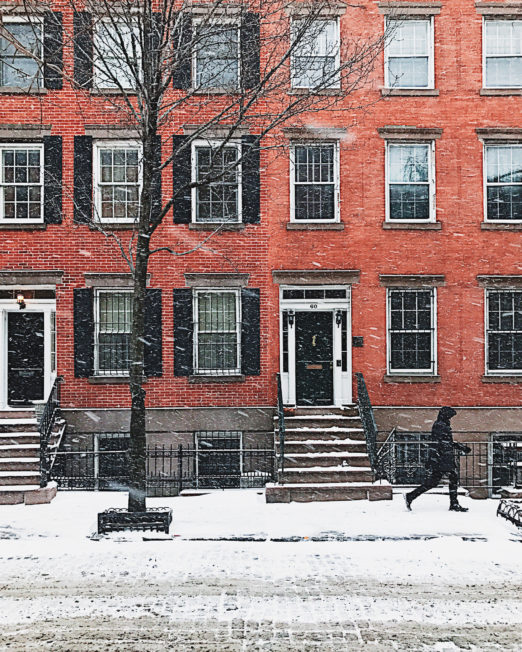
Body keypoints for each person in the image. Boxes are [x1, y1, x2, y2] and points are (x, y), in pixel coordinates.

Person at [404, 407, 471, 512]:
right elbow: (439, 443)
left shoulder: (442, 424)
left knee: (434, 482)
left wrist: (459, 447)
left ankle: (411, 496)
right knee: (452, 478)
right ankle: (453, 503)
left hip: (442, 457)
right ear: (446, 415)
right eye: (450, 416)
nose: (451, 418)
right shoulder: (440, 425)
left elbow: (445, 442)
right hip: (442, 458)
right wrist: (435, 457)